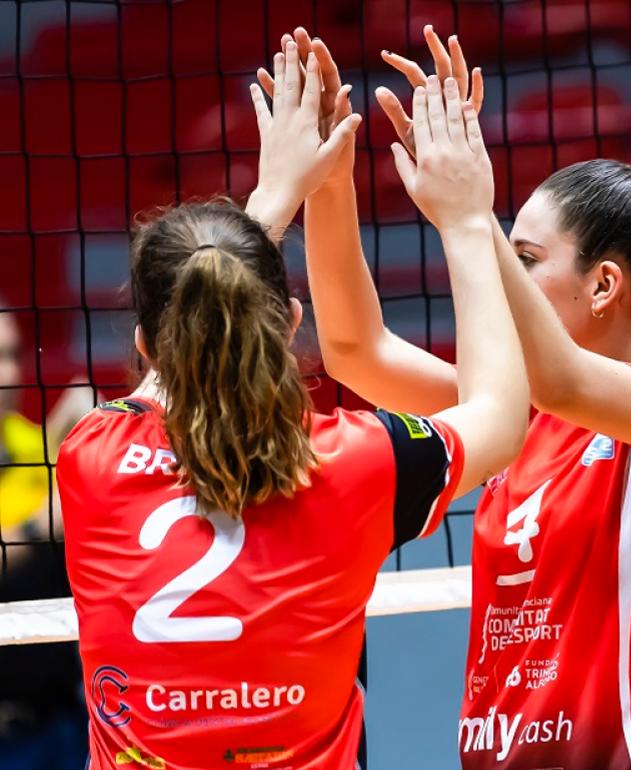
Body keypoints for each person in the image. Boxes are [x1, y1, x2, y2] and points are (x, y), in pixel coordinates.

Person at [284, 26, 631, 770]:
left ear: (604, 285)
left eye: (526, 257)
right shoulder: (518, 414)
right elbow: (354, 349)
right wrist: (328, 181)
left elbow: (564, 376)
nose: (502, 266)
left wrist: (471, 220)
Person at [56, 36, 527, 770]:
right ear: (291, 327)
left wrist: (281, 193)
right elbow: (502, 417)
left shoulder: (89, 456)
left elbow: (192, 326)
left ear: (149, 344)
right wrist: (466, 219)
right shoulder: (357, 463)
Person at [0, 310, 93, 770]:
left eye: (14, 354)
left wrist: (87, 432)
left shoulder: (31, 443)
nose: (11, 372)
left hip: (61, 724)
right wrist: (46, 520)